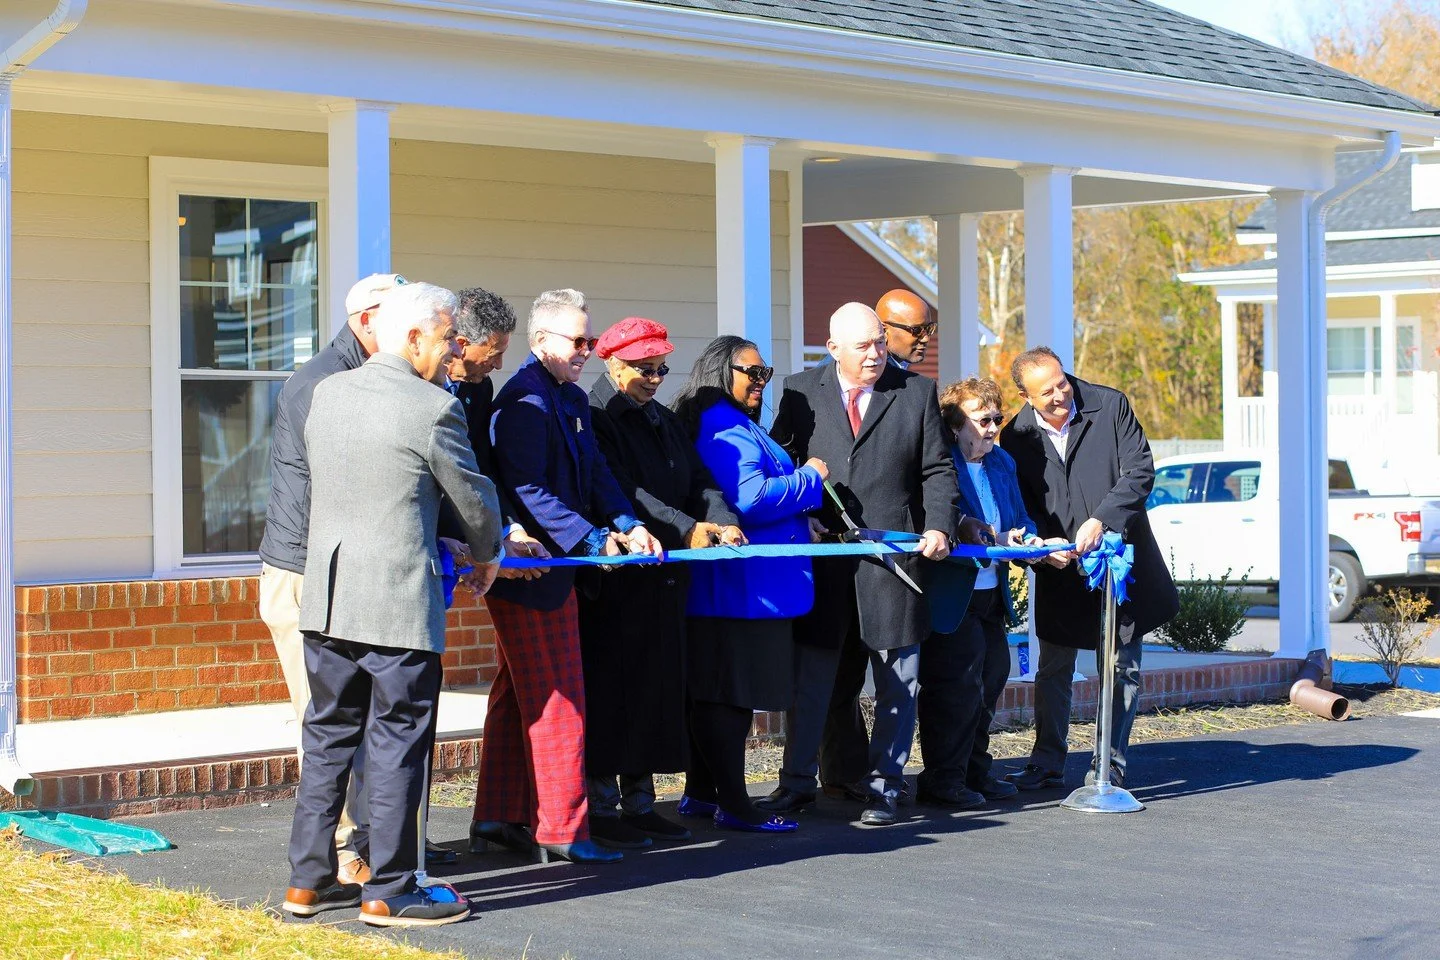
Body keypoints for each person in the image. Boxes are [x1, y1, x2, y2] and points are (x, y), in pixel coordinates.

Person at [283, 281, 502, 928]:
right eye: (444, 338)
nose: (450, 349)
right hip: (397, 600)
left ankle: (308, 882)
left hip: (329, 596)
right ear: (412, 337)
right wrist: (488, 550)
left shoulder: (327, 394)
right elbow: (472, 499)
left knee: (327, 737)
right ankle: (392, 888)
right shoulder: (431, 407)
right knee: (398, 741)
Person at [471, 288, 662, 865]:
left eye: (589, 339)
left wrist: (627, 523)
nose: (587, 349)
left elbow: (598, 473)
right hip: (531, 573)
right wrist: (591, 538)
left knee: (514, 694)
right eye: (576, 341)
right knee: (561, 699)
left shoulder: (572, 399)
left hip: (559, 569)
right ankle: (562, 828)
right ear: (540, 343)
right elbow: (528, 489)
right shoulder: (521, 403)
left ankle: (498, 819)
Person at [764, 303, 956, 827]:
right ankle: (797, 783)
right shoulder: (801, 391)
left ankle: (885, 786)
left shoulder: (916, 393)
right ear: (833, 349)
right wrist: (798, 518)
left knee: (898, 682)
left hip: (892, 562)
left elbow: (937, 469)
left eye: (878, 342)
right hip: (824, 563)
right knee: (814, 682)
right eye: (863, 346)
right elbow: (780, 463)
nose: (875, 354)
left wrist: (939, 525)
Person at [259, 272, 406, 885]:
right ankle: (344, 851)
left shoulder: (367, 376)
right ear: (369, 319)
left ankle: (377, 841)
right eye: (403, 318)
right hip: (304, 571)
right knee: (326, 720)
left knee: (359, 715)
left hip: (340, 567)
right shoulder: (321, 384)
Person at [578, 317, 747, 848]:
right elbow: (622, 491)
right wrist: (684, 528)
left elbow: (699, 479)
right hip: (618, 578)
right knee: (613, 693)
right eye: (644, 368)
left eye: (661, 368)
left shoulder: (660, 416)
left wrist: (721, 519)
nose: (655, 378)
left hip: (664, 577)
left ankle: (641, 801)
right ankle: (604, 806)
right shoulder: (597, 414)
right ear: (612, 362)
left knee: (654, 691)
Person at [999, 346, 1179, 790]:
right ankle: (1047, 761)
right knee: (1053, 669)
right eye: (1047, 392)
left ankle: (1109, 764)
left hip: (1118, 564)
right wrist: (1040, 546)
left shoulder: (1110, 405)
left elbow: (1139, 472)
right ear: (1025, 396)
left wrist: (1102, 519)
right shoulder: (1015, 436)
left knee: (1121, 668)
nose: (1061, 395)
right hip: (1059, 570)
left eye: (1062, 382)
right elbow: (1019, 502)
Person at [671, 335, 823, 833]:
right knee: (731, 698)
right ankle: (734, 805)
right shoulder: (722, 425)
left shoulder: (731, 422)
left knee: (717, 694)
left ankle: (701, 794)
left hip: (739, 588)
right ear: (720, 371)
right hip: (742, 589)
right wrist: (809, 479)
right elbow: (751, 499)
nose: (761, 383)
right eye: (750, 373)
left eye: (766, 374)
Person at [916, 378, 1050, 807]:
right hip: (952, 594)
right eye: (982, 420)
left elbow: (1019, 519)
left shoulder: (1002, 463)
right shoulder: (939, 464)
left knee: (991, 679)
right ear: (955, 425)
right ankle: (943, 779)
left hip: (993, 592)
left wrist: (1032, 544)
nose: (993, 427)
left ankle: (975, 771)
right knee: (955, 690)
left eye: (998, 418)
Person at [876, 288, 936, 370]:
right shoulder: (872, 378)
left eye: (929, 328)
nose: (926, 339)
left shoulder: (901, 369)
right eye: (916, 330)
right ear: (884, 331)